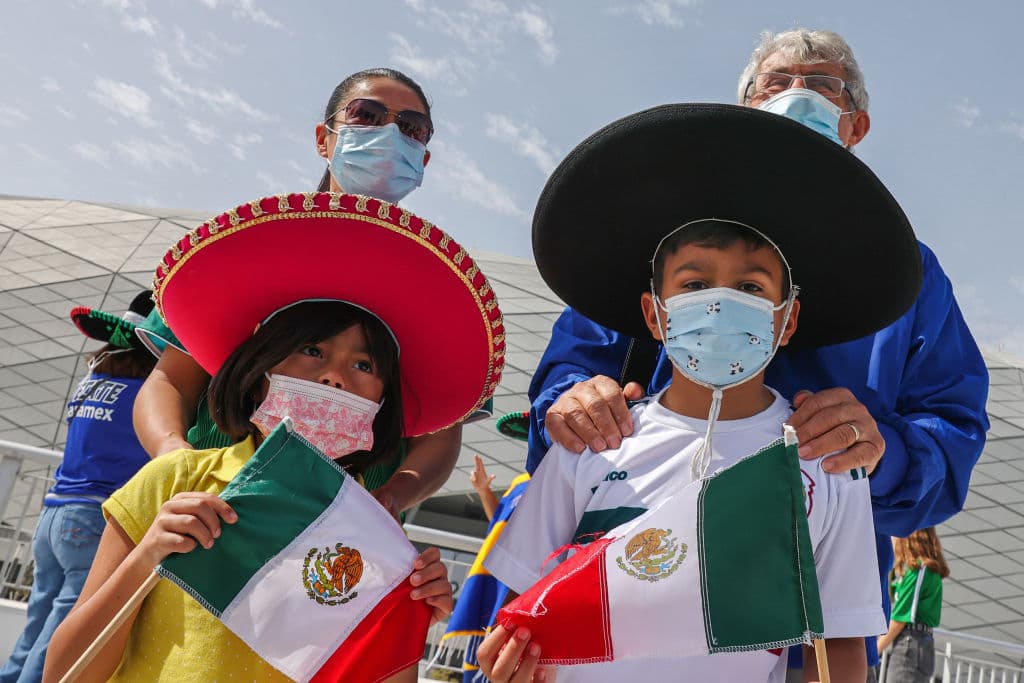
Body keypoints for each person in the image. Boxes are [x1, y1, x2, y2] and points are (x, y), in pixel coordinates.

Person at [526, 28, 988, 670]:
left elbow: (953, 430)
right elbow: (569, 374)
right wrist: (572, 402)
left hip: (812, 613)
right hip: (629, 586)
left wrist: (881, 454)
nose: (798, 95)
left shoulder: (906, 274)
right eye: (776, 83)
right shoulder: (657, 232)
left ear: (856, 126)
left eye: (823, 85)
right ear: (744, 105)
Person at [478, 102, 922, 682]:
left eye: (749, 286)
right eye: (694, 283)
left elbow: (838, 644)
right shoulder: (591, 443)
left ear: (786, 321)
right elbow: (517, 615)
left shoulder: (828, 465)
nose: (719, 302)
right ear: (655, 314)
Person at [44, 191, 506, 681]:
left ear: (383, 402)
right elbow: (63, 672)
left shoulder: (375, 539)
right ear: (262, 365)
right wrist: (148, 555)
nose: (334, 376)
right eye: (312, 348)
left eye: (364, 364)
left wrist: (410, 614)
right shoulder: (174, 483)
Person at [132, 67, 466, 521]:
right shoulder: (245, 245)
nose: (388, 134)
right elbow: (171, 379)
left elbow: (441, 433)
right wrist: (174, 459)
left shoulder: (445, 284)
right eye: (366, 115)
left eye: (411, 128)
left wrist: (387, 500)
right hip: (202, 505)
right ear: (323, 139)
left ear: (423, 157)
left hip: (338, 534)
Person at [0, 292, 157, 683]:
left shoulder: (94, 380)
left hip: (53, 513)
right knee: (61, 632)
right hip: (92, 518)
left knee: (37, 622)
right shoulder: (149, 395)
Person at [878, 528, 949, 682]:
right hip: (920, 645)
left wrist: (875, 650)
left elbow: (900, 618)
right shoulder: (927, 571)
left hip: (910, 644)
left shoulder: (919, 571)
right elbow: (890, 593)